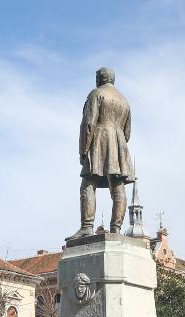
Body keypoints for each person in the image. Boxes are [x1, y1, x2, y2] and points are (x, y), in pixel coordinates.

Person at [66, 67, 134, 240]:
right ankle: (116, 229)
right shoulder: (124, 101)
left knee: (88, 182)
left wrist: (83, 150)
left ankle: (87, 226)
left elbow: (88, 124)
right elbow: (128, 133)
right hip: (118, 144)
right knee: (117, 185)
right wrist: (118, 145)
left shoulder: (96, 94)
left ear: (100, 79)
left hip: (99, 140)